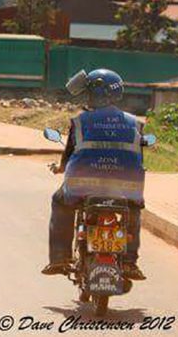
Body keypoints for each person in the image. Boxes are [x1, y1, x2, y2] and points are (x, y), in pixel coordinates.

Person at [41, 69, 147, 281]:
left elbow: (70, 151)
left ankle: (60, 258)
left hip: (82, 185)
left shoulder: (81, 121)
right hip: (126, 186)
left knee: (59, 202)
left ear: (90, 94)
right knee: (133, 210)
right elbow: (139, 157)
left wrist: (61, 167)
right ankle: (129, 261)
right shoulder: (135, 122)